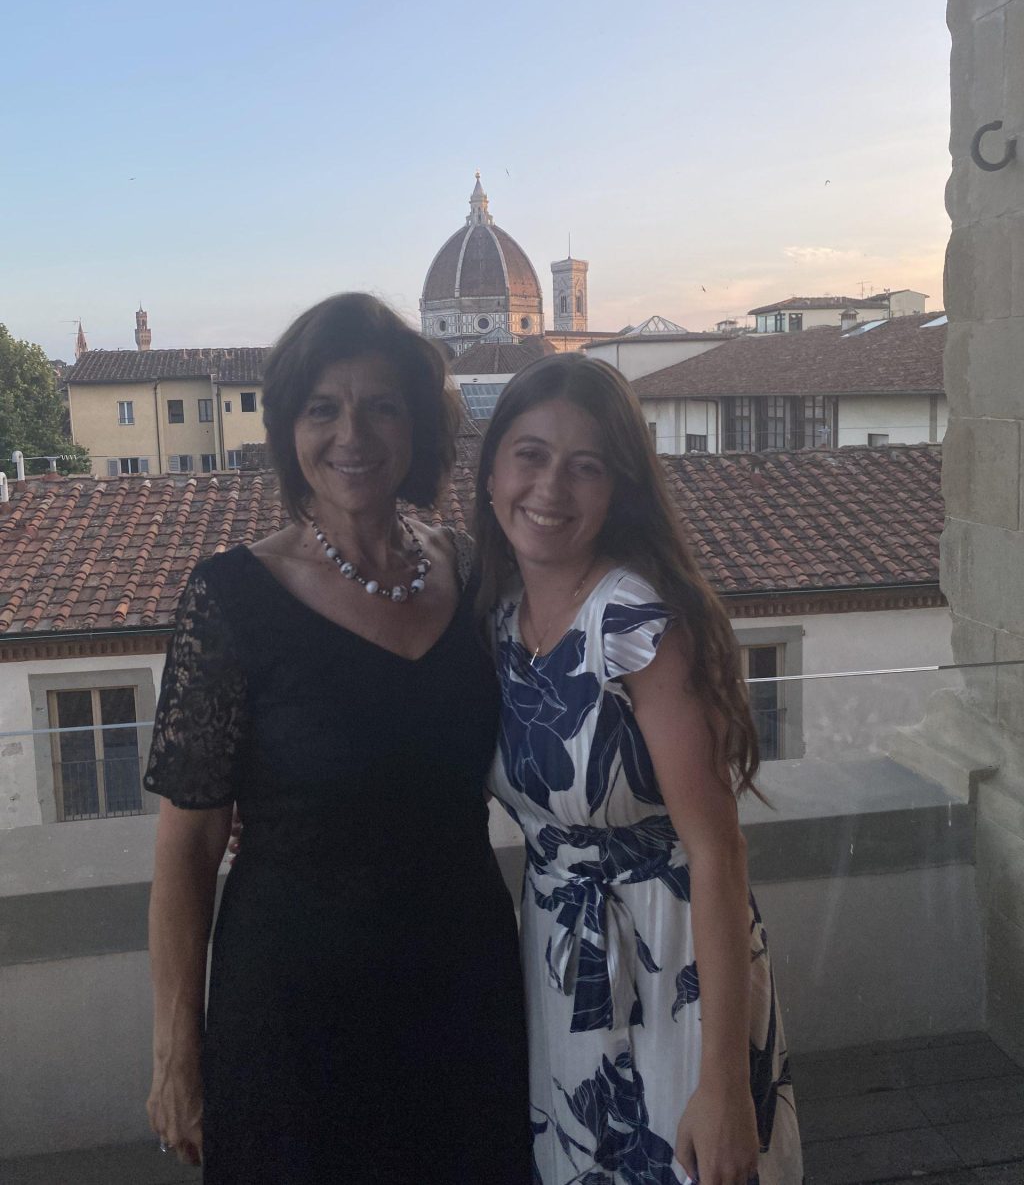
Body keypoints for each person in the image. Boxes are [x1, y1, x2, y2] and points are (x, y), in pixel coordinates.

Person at [144, 293, 532, 1184]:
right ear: (288, 428)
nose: (350, 433)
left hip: (463, 992)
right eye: (323, 407)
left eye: (380, 405)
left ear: (416, 426)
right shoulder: (233, 598)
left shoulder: (471, 572)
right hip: (290, 1016)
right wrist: (177, 1050)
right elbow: (189, 843)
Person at [474, 354, 803, 1185]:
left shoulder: (634, 621)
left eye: (586, 465)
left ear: (618, 488)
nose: (551, 487)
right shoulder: (502, 615)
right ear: (490, 471)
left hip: (675, 967)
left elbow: (718, 851)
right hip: (564, 962)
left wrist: (723, 1082)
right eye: (531, 454)